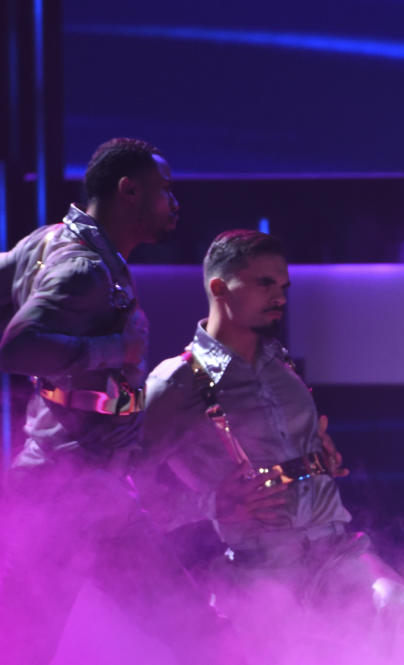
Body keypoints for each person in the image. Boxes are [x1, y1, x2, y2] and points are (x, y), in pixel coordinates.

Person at [0, 138, 240, 665]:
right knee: (199, 636)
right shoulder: (84, 267)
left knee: (28, 642)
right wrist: (113, 348)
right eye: (165, 190)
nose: (174, 202)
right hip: (67, 498)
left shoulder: (47, 243)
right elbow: (18, 346)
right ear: (128, 190)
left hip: (82, 494)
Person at [136, 230, 404, 654]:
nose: (280, 296)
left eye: (283, 286)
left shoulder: (280, 363)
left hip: (333, 550)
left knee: (397, 606)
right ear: (219, 288)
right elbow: (128, 495)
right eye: (264, 283)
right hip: (260, 569)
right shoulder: (177, 382)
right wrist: (210, 504)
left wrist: (320, 454)